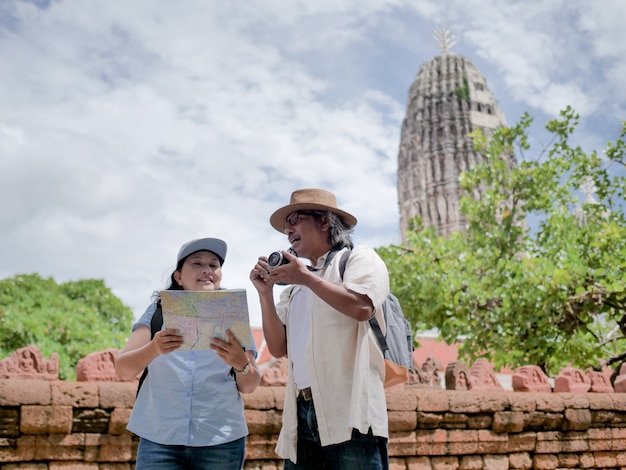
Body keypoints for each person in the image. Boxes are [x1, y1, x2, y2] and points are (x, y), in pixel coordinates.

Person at [250, 189, 390, 469]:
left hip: (351, 411)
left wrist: (305, 278)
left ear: (324, 223)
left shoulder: (357, 259)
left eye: (294, 219)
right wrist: (264, 293)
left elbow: (362, 307)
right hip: (302, 412)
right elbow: (278, 349)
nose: (288, 230)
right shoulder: (294, 291)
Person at [116, 237, 261, 469]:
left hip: (221, 440)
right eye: (197, 263)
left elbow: (250, 385)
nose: (207, 270)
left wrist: (240, 362)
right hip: (159, 440)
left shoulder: (233, 315)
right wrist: (154, 348)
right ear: (179, 277)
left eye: (214, 265)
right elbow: (123, 369)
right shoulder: (157, 313)